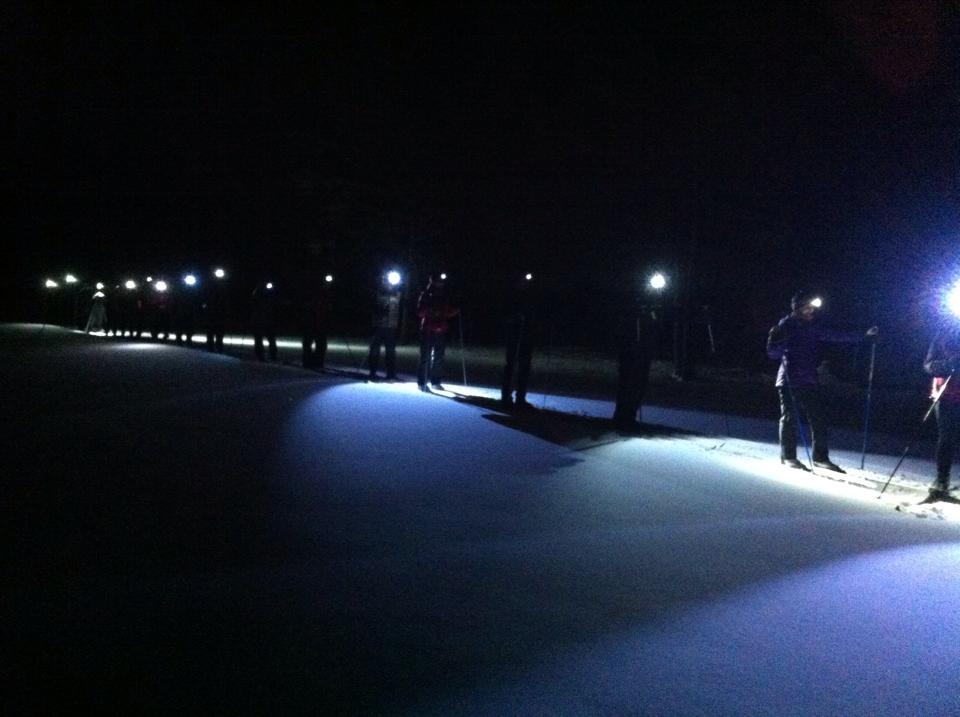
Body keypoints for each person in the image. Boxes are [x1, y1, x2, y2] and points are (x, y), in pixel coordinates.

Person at [766, 290, 878, 472]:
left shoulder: (814, 326)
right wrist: (775, 340)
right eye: (807, 308)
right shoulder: (786, 326)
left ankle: (820, 457)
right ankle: (788, 456)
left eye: (812, 308)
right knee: (789, 419)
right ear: (797, 308)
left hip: (809, 380)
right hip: (789, 380)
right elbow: (773, 354)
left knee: (819, 418)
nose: (811, 311)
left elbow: (836, 335)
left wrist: (864, 336)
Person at [922, 324, 960, 502]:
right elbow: (929, 365)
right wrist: (949, 365)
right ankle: (942, 479)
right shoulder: (944, 334)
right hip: (947, 396)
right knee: (947, 438)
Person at [613, 301, 656, 432]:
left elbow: (655, 327)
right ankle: (621, 417)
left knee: (638, 384)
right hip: (629, 353)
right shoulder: (628, 315)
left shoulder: (650, 313)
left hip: (642, 353)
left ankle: (630, 416)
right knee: (626, 384)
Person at [416, 271, 459, 390]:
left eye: (441, 282)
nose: (440, 284)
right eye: (438, 281)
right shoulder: (426, 294)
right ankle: (422, 382)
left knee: (439, 357)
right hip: (427, 329)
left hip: (441, 329)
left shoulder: (445, 295)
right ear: (433, 281)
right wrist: (430, 311)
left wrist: (454, 312)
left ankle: (435, 381)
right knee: (425, 356)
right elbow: (420, 311)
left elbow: (447, 311)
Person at [501, 273, 538, 409]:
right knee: (511, 365)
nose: (524, 284)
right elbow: (505, 314)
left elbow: (534, 313)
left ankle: (520, 397)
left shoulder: (530, 297)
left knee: (524, 366)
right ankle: (506, 397)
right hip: (514, 335)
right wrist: (515, 318)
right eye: (522, 281)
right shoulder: (512, 296)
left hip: (526, 335)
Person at [367, 273, 403, 380]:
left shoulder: (397, 294)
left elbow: (400, 307)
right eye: (387, 282)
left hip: (391, 326)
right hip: (378, 325)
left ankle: (390, 374)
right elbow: (372, 307)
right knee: (375, 350)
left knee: (391, 351)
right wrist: (380, 310)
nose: (389, 284)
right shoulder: (378, 293)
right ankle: (372, 372)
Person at [300, 277, 330, 371]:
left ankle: (318, 361)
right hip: (312, 322)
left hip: (319, 322)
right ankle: (308, 361)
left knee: (320, 343)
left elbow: (326, 309)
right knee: (309, 342)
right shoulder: (314, 295)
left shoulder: (325, 296)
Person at [250, 281, 280, 362]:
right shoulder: (257, 293)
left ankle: (271, 355)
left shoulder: (267, 294)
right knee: (261, 338)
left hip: (267, 319)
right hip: (260, 319)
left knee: (269, 337)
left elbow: (274, 306)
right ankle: (262, 355)